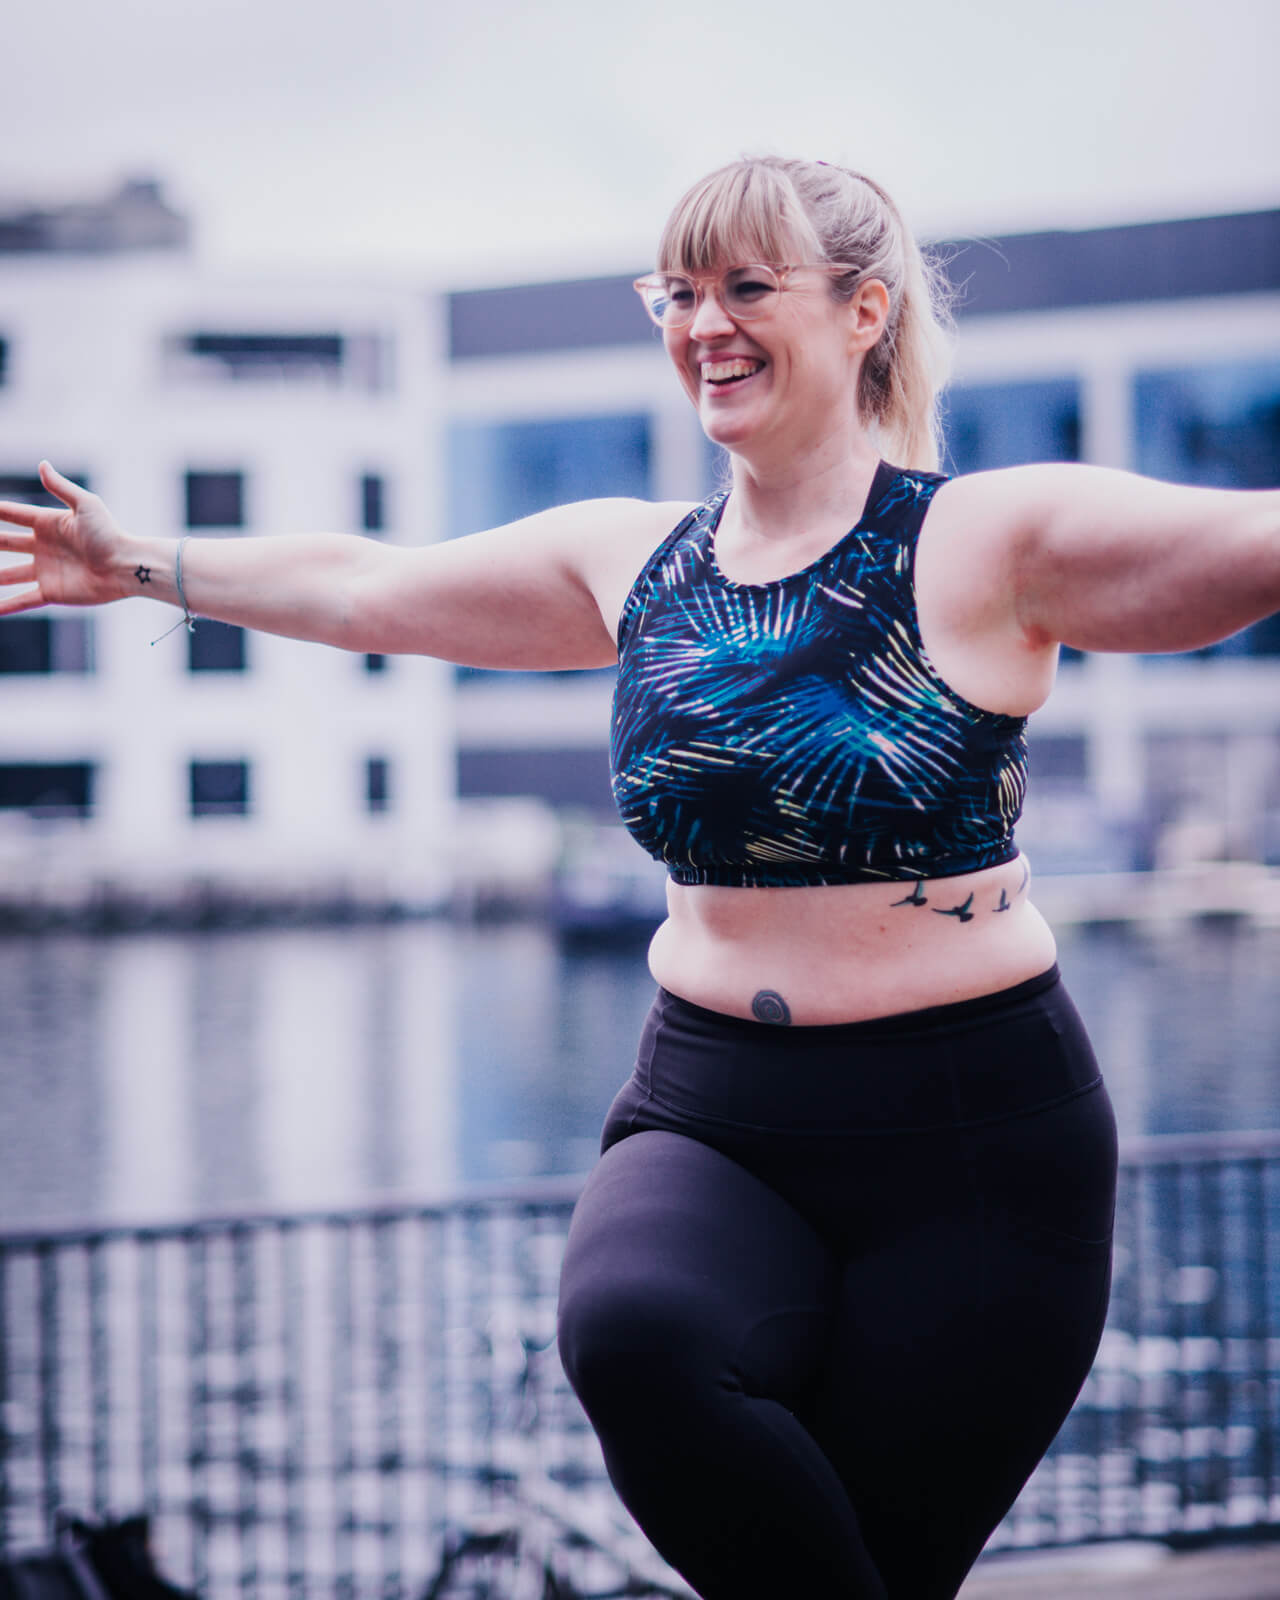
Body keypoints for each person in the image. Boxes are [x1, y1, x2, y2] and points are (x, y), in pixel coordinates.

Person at [0, 156, 1276, 1600]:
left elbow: (1246, 546)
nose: (703, 324)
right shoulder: (636, 563)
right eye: (678, 294)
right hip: (715, 1110)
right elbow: (366, 584)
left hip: (977, 1147)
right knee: (633, 1336)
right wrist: (149, 562)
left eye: (745, 288)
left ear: (865, 312)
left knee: (870, 1560)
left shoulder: (978, 539)